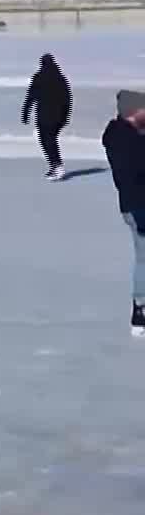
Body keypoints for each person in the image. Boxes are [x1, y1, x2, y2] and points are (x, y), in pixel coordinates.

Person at [102, 90, 145, 335]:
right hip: (138, 206)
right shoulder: (124, 140)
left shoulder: (128, 135)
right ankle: (140, 308)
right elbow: (135, 172)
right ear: (133, 112)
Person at [23, 53, 72, 181]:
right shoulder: (61, 79)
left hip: (44, 116)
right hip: (58, 116)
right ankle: (54, 165)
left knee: (46, 141)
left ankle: (57, 165)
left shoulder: (39, 77)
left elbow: (31, 96)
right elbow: (68, 99)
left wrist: (25, 113)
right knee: (51, 141)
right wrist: (66, 117)